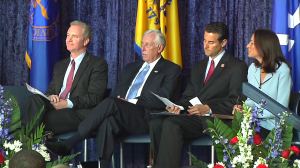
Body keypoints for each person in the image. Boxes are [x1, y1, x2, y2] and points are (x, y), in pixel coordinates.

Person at [45, 29, 182, 168]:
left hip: (145, 117)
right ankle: (103, 165)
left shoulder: (171, 69)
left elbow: (162, 98)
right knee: (108, 121)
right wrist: (121, 101)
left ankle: (70, 142)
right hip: (122, 113)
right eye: (142, 44)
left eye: (148, 45)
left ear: (160, 48)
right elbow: (118, 93)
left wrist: (131, 101)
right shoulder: (131, 68)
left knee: (111, 103)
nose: (143, 48)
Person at [149, 22, 248, 168]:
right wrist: (177, 107)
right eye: (204, 41)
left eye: (211, 42)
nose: (206, 46)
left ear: (223, 43)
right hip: (195, 118)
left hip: (216, 120)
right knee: (156, 122)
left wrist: (208, 108)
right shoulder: (199, 66)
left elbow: (236, 101)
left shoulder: (237, 66)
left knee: (171, 124)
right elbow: (188, 96)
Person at [22, 20, 108, 134]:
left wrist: (67, 103)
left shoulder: (98, 64)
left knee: (35, 119)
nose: (69, 39)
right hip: (56, 107)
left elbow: (95, 97)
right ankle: (29, 146)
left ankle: (24, 146)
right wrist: (51, 96)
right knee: (34, 100)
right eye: (68, 35)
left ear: (85, 41)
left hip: (77, 111)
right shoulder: (60, 65)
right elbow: (51, 90)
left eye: (75, 36)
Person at [232, 29, 292, 136]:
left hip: (274, 125)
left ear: (264, 45)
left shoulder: (283, 70)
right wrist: (243, 108)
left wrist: (253, 114)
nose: (247, 46)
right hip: (253, 122)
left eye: (252, 43)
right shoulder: (252, 68)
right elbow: (251, 99)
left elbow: (281, 109)